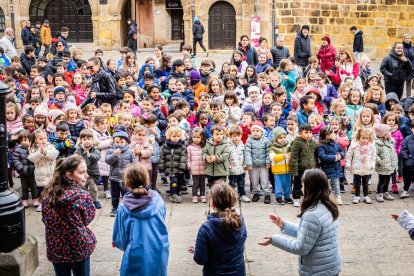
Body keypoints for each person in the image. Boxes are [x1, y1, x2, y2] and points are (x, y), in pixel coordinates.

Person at [259, 168, 341, 276]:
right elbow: (310, 234)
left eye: (303, 185)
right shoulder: (328, 206)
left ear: (310, 188)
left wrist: (275, 239)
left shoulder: (312, 215)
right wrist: (284, 225)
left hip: (317, 270)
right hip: (330, 266)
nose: (301, 187)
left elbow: (301, 247)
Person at [41, 156, 96, 276]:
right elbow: (88, 217)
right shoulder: (82, 195)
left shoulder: (49, 195)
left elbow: (45, 219)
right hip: (78, 248)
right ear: (69, 175)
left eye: (86, 171)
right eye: (82, 172)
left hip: (56, 248)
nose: (86, 176)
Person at [112, 163, 169, 276]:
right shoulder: (158, 200)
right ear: (147, 180)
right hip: (159, 250)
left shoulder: (123, 207)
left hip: (135, 253)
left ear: (127, 183)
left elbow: (119, 239)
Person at [189, 182, 247, 276]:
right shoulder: (240, 220)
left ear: (212, 203)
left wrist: (197, 250)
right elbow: (242, 239)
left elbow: (200, 259)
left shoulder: (206, 228)